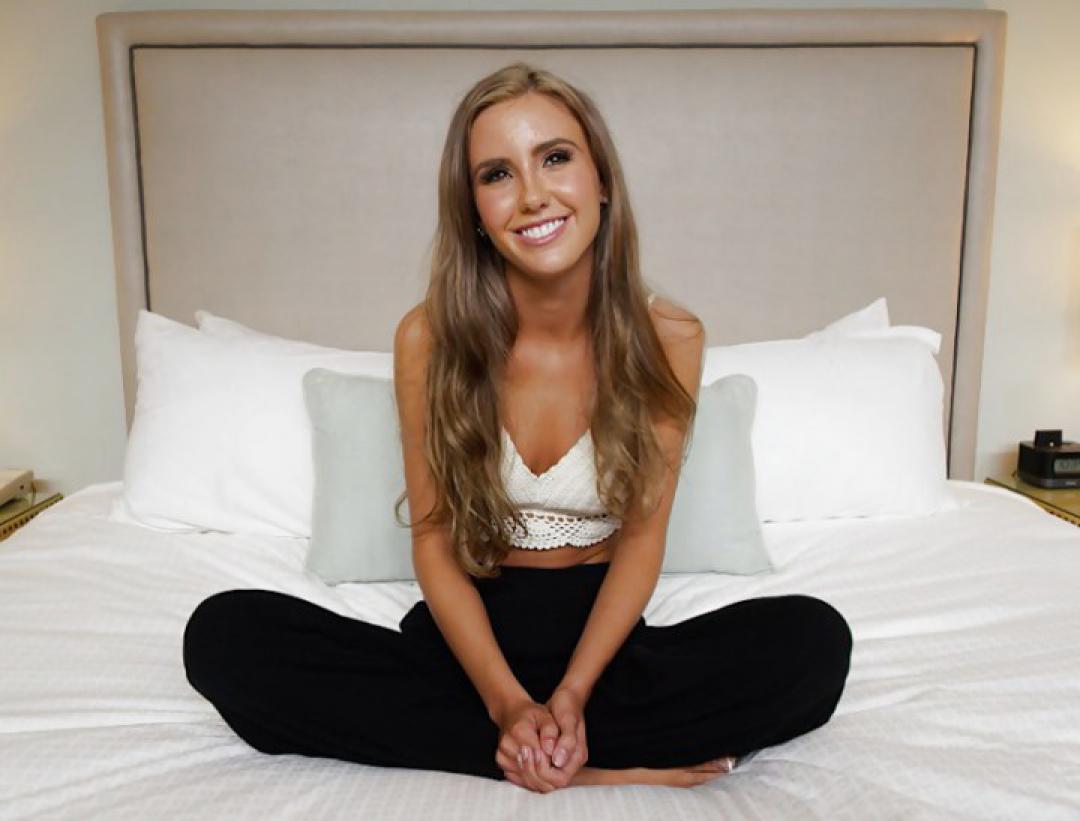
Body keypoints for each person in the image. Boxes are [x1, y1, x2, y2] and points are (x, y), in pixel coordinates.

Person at [182, 62, 853, 793]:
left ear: (602, 180)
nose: (533, 194)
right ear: (473, 208)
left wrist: (571, 695)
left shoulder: (669, 337)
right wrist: (506, 703)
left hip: (603, 645)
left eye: (555, 158)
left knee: (814, 642)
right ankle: (597, 767)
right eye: (497, 174)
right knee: (224, 635)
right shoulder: (428, 337)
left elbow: (641, 541)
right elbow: (433, 542)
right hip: (469, 640)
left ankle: (535, 744)